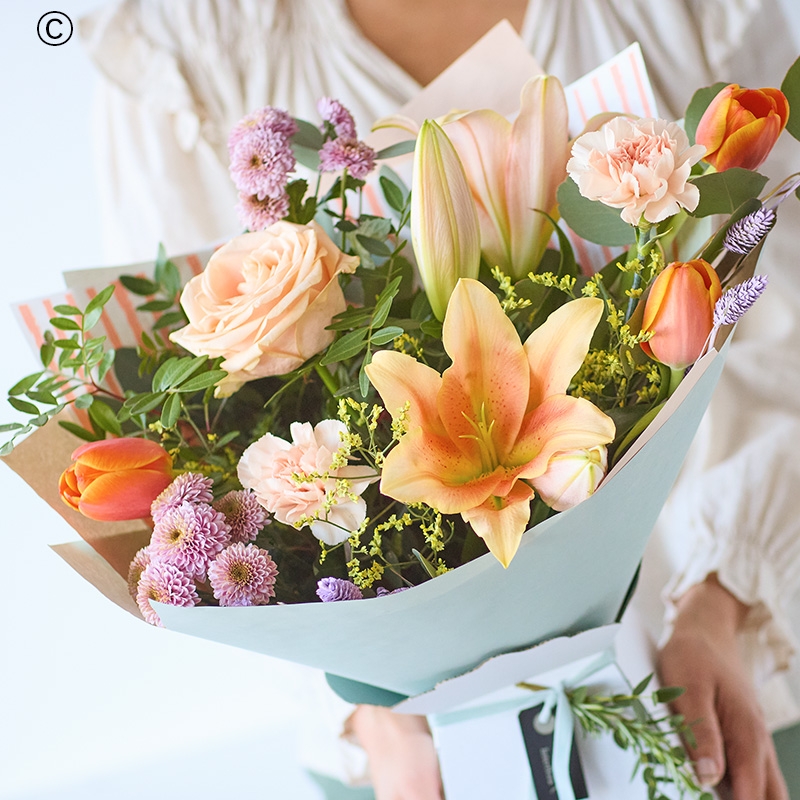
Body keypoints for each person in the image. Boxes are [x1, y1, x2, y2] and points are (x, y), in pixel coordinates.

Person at [78, 1, 800, 798]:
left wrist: (724, 602)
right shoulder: (179, 44)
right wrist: (375, 713)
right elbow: (190, 447)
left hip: (727, 686)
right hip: (415, 761)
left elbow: (786, 339)